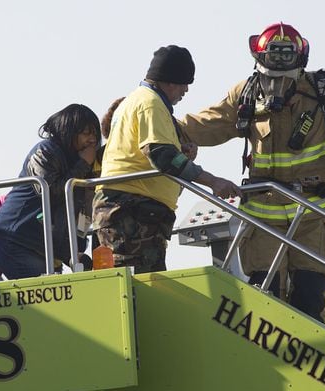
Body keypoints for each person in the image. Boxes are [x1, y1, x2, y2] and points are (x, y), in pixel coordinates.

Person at [177, 23, 325, 321]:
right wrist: (161, 124)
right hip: (263, 220)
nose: (278, 80)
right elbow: (204, 126)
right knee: (266, 305)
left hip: (315, 215)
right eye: (274, 60)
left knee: (308, 301)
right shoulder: (245, 95)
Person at [92, 45, 241, 273]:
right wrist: (213, 181)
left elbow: (154, 154)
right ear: (170, 81)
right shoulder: (150, 104)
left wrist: (181, 155)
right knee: (139, 288)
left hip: (132, 210)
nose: (186, 91)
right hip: (131, 211)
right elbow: (162, 156)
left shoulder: (139, 101)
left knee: (141, 283)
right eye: (184, 83)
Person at [0, 104, 101, 279]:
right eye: (86, 133)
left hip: (40, 246)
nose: (92, 139)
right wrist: (84, 164)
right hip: (15, 240)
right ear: (69, 131)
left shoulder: (79, 162)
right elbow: (50, 192)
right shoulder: (46, 151)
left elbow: (79, 212)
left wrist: (72, 253)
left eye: (95, 134)